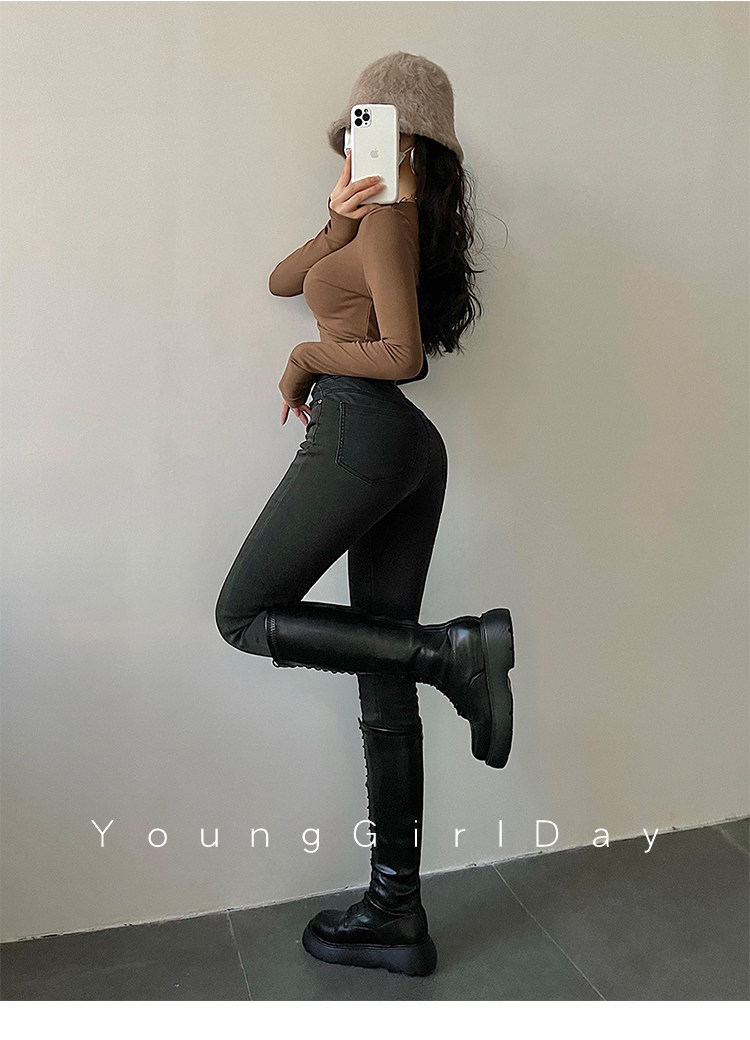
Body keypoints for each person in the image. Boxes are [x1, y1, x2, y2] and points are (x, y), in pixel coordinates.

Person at [215, 51, 515, 977]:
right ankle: (397, 913)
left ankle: (451, 655)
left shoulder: (391, 216)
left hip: (362, 431)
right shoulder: (377, 217)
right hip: (401, 448)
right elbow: (281, 280)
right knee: (383, 681)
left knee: (241, 614)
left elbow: (402, 355)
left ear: (408, 138)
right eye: (352, 132)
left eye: (370, 128)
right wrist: (332, 218)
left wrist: (306, 360)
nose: (355, 145)